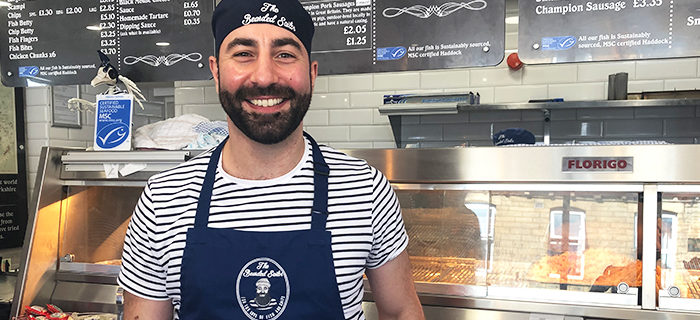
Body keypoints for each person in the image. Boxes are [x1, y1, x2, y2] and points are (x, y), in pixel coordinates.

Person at [117, 0, 424, 319]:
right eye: (243, 54)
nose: (264, 76)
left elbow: (402, 311)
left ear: (312, 73)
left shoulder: (366, 190)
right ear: (216, 71)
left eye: (285, 54)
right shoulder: (162, 200)